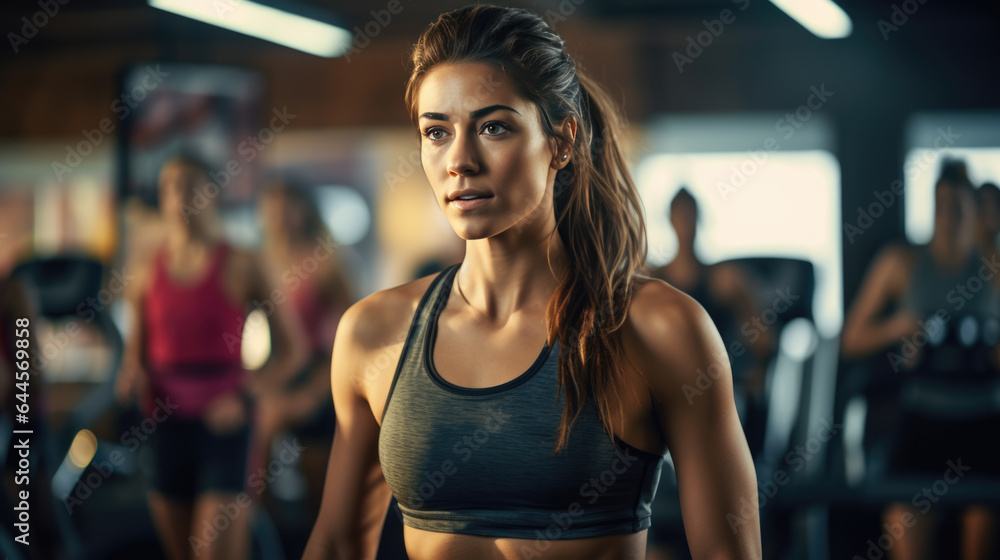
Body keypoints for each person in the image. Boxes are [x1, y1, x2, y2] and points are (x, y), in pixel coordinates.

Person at [302, 5, 761, 560]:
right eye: (436, 132)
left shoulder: (660, 327)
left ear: (561, 142)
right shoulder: (373, 332)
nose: (460, 161)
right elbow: (336, 544)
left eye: (493, 127)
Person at [114, 152, 308, 560]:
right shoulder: (146, 267)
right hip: (166, 425)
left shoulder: (244, 262)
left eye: (190, 186)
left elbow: (293, 351)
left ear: (213, 193)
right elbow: (136, 357)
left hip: (225, 425)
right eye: (169, 188)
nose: (179, 196)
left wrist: (246, 395)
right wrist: (130, 378)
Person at [840, 159, 999, 560]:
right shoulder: (901, 262)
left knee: (983, 524)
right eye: (940, 206)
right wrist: (897, 327)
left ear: (975, 211)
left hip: (983, 417)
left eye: (957, 208)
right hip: (922, 415)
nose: (947, 218)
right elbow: (851, 339)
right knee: (903, 519)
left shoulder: (993, 266)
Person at [254, 180, 354, 523]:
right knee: (258, 430)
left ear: (305, 211)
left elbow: (354, 334)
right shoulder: (258, 263)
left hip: (320, 373)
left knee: (320, 493)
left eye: (288, 205)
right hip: (276, 370)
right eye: (272, 206)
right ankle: (261, 531)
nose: (279, 215)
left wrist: (316, 390)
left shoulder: (325, 263)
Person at [649, 187, 773, 457]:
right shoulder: (651, 279)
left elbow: (764, 340)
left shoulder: (724, 279)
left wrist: (758, 369)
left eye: (690, 215)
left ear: (699, 219)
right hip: (664, 390)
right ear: (670, 219)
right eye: (680, 215)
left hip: (715, 389)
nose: (685, 223)